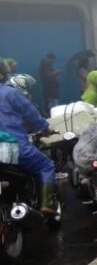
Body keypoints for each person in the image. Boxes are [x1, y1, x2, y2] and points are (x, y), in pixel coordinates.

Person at [0, 79, 57, 214]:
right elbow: (31, 114)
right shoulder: (9, 93)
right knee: (46, 166)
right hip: (10, 147)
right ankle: (47, 204)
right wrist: (44, 128)